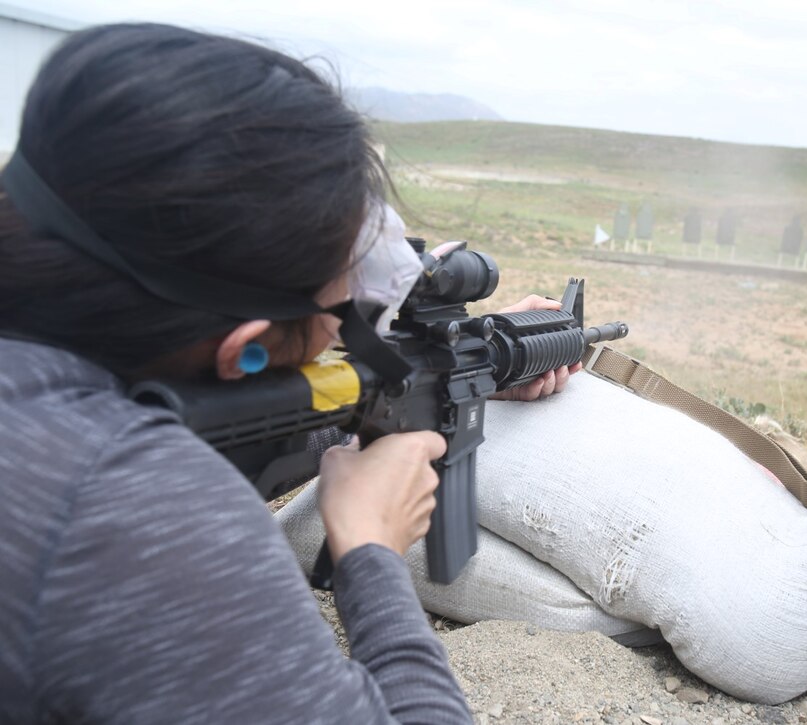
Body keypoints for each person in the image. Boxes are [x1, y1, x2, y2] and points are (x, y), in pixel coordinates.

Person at [0, 23, 574, 723]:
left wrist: (475, 353)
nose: (351, 326)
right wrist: (371, 547)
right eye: (345, 308)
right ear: (243, 347)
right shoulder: (128, 508)